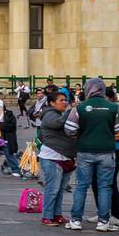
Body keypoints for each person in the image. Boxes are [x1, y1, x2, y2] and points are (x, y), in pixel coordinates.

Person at [64, 77, 119, 232]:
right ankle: (103, 221)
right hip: (107, 152)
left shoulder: (79, 107)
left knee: (82, 186)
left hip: (84, 151)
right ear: (103, 90)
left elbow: (69, 129)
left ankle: (76, 220)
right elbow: (118, 130)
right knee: (105, 186)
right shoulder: (114, 108)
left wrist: (82, 135)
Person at [37, 89, 76, 227]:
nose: (65, 102)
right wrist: (72, 111)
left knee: (60, 189)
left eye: (66, 100)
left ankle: (57, 214)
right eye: (61, 100)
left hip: (65, 157)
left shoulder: (60, 113)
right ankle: (47, 216)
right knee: (52, 189)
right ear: (52, 103)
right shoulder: (49, 114)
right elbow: (58, 123)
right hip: (52, 157)